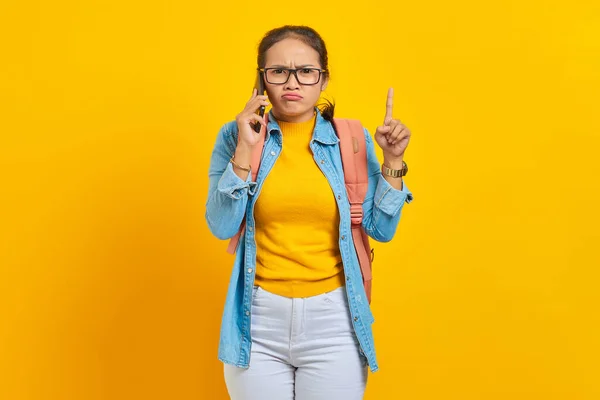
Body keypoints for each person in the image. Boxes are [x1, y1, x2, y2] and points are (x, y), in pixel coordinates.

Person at [205, 25, 413, 400]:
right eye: (279, 71)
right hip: (257, 321)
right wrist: (244, 151)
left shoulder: (350, 140)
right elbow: (221, 225)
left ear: (323, 79)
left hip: (334, 320)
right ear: (262, 79)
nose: (292, 82)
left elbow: (379, 229)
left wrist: (393, 162)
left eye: (306, 71)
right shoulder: (235, 136)